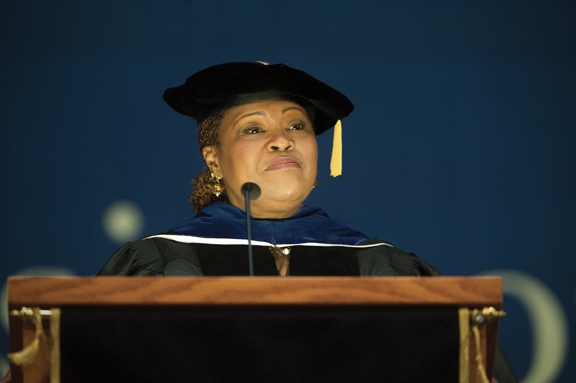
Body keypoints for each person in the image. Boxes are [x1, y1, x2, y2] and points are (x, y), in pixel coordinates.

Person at [95, 61, 517, 382]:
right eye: (253, 130)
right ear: (213, 160)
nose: (283, 138)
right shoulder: (158, 264)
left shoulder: (383, 267)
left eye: (296, 124)